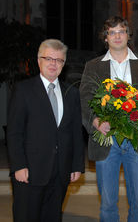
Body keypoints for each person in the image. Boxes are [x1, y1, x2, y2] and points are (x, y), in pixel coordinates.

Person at [79, 16, 138, 222]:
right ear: (105, 38)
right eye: (111, 32)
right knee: (107, 204)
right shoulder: (93, 66)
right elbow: (85, 97)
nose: (117, 36)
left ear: (128, 36)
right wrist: (96, 121)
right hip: (106, 139)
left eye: (121, 31)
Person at [7, 39, 85, 222]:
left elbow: (75, 131)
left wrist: (76, 165)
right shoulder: (23, 90)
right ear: (39, 60)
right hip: (30, 172)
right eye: (48, 58)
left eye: (58, 60)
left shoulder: (71, 93)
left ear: (63, 64)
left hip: (60, 171)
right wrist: (18, 165)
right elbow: (14, 132)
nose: (53, 64)